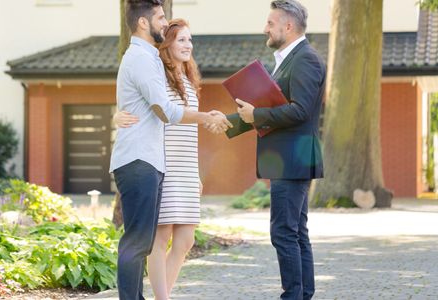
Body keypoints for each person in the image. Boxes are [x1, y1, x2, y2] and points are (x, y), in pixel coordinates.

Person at [110, 1, 231, 299]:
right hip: (141, 159)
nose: (165, 22)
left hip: (153, 161)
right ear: (142, 23)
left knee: (143, 241)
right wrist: (205, 118)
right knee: (140, 241)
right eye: (161, 17)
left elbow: (140, 102)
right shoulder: (142, 59)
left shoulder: (148, 58)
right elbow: (164, 110)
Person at [227, 1, 326, 299]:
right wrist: (227, 122)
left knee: (283, 232)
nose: (265, 29)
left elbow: (300, 111)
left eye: (270, 23)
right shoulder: (287, 59)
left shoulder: (305, 59)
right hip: (289, 159)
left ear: (288, 26)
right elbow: (272, 107)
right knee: (295, 231)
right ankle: (302, 294)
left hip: (292, 160)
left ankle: (293, 295)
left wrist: (256, 115)